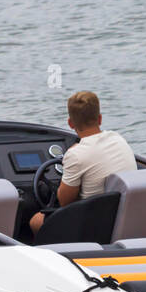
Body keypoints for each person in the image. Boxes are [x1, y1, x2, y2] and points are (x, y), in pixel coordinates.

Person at [30, 91, 136, 234]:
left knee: (36, 221)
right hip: (123, 215)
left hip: (91, 223)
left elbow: (64, 202)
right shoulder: (118, 139)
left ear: (70, 123)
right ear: (99, 119)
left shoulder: (75, 155)